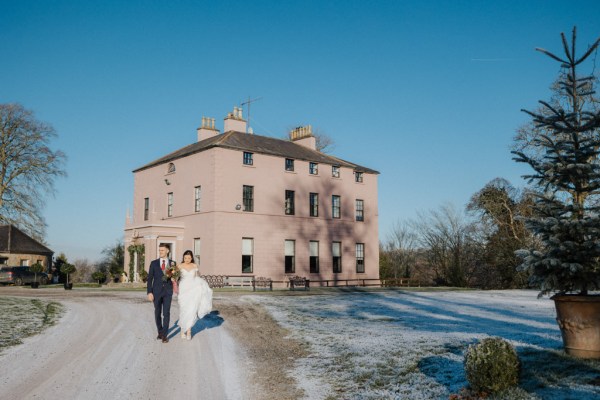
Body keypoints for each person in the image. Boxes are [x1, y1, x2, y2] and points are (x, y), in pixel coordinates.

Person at [177, 250, 213, 340]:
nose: (187, 259)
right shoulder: (179, 266)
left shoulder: (195, 266)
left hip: (193, 290)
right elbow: (175, 277)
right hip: (183, 289)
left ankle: (189, 331)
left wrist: (202, 287)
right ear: (183, 258)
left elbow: (197, 277)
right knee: (184, 310)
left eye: (189, 258)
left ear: (192, 258)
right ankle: (182, 330)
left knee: (191, 310)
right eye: (185, 258)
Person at [147, 243, 174, 343]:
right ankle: (160, 331)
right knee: (157, 312)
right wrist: (149, 292)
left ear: (167, 251)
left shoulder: (172, 264)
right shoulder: (154, 263)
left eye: (162, 250)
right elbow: (150, 279)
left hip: (168, 292)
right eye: (159, 250)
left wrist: (176, 277)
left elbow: (174, 278)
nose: (160, 252)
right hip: (156, 292)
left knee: (166, 313)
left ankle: (164, 335)